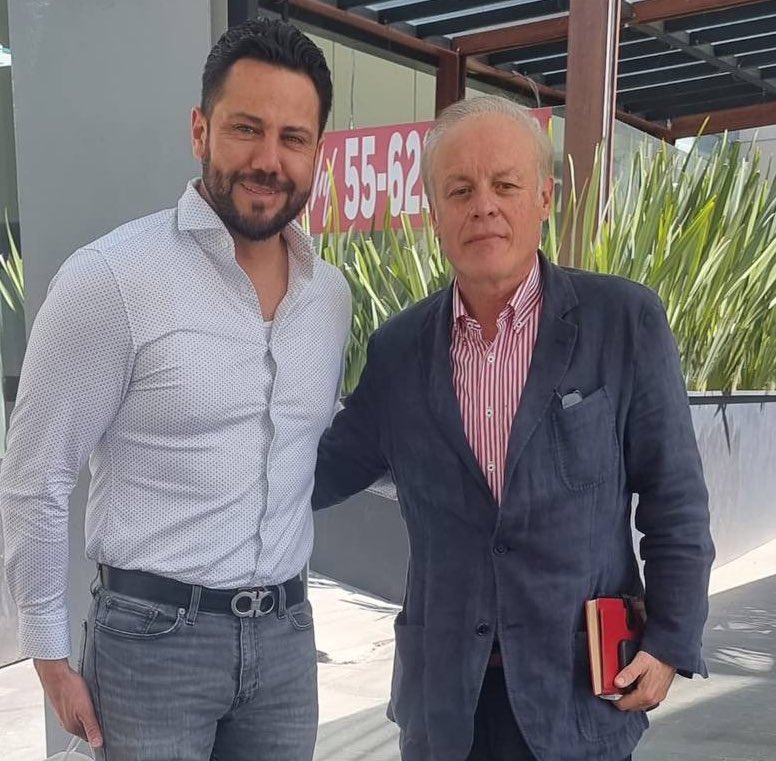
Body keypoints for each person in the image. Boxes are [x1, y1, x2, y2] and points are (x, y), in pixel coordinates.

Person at [313, 96, 714, 761]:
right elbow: (318, 471)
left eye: (505, 185)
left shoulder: (623, 322)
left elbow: (675, 501)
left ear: (545, 198)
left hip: (579, 694)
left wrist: (671, 638)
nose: (484, 206)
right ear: (434, 212)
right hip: (446, 705)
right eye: (460, 190)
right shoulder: (397, 351)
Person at [0, 18, 350, 761]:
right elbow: (38, 473)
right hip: (150, 644)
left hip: (288, 641)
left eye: (293, 138)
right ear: (200, 129)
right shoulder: (112, 280)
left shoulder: (330, 298)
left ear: (317, 152)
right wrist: (49, 653)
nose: (268, 160)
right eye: (246, 128)